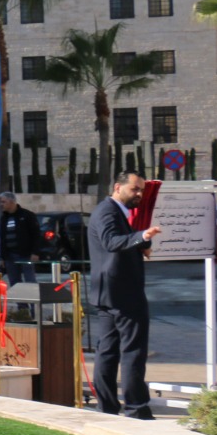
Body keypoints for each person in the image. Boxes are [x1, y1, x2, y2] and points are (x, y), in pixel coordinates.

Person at [88, 171, 162, 419]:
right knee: (132, 351)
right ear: (118, 187)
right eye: (135, 189)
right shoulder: (107, 211)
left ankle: (107, 408)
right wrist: (143, 236)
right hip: (123, 294)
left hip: (109, 293)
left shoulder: (114, 211)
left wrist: (142, 243)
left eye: (142, 190)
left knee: (107, 352)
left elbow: (120, 241)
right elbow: (111, 242)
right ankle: (136, 408)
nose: (139, 194)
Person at [0, 191, 41, 285]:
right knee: (14, 282)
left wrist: (35, 252)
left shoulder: (27, 215)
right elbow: (2, 238)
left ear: (12, 202)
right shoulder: (4, 218)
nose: (1, 204)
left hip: (25, 254)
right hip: (9, 255)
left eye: (4, 202)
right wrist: (2, 257)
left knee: (30, 280)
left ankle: (32, 295)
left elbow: (36, 234)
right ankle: (18, 296)